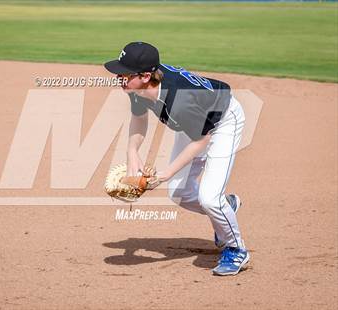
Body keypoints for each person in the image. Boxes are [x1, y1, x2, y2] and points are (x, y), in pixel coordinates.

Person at [104, 42, 249, 276]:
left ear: (145, 76)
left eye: (124, 74)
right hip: (195, 123)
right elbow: (138, 119)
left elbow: (202, 140)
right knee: (178, 193)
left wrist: (165, 174)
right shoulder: (138, 89)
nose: (119, 78)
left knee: (210, 198)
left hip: (223, 121)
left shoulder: (178, 101)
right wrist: (132, 152)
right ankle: (227, 207)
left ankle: (236, 249)